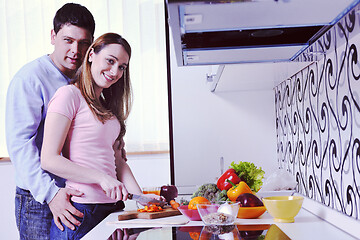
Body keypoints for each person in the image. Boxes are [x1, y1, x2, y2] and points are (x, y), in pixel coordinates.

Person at [40, 32, 162, 239]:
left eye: (122, 67)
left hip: (112, 210)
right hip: (81, 212)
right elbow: (49, 159)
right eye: (110, 61)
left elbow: (118, 162)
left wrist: (141, 198)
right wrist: (102, 179)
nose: (115, 71)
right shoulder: (68, 95)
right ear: (90, 55)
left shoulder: (108, 110)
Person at [5, 3, 95, 239]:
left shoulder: (86, 78)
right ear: (53, 36)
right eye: (68, 40)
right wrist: (51, 194)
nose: (76, 50)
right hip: (39, 198)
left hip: (78, 193)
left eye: (83, 43)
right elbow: (20, 144)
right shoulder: (30, 78)